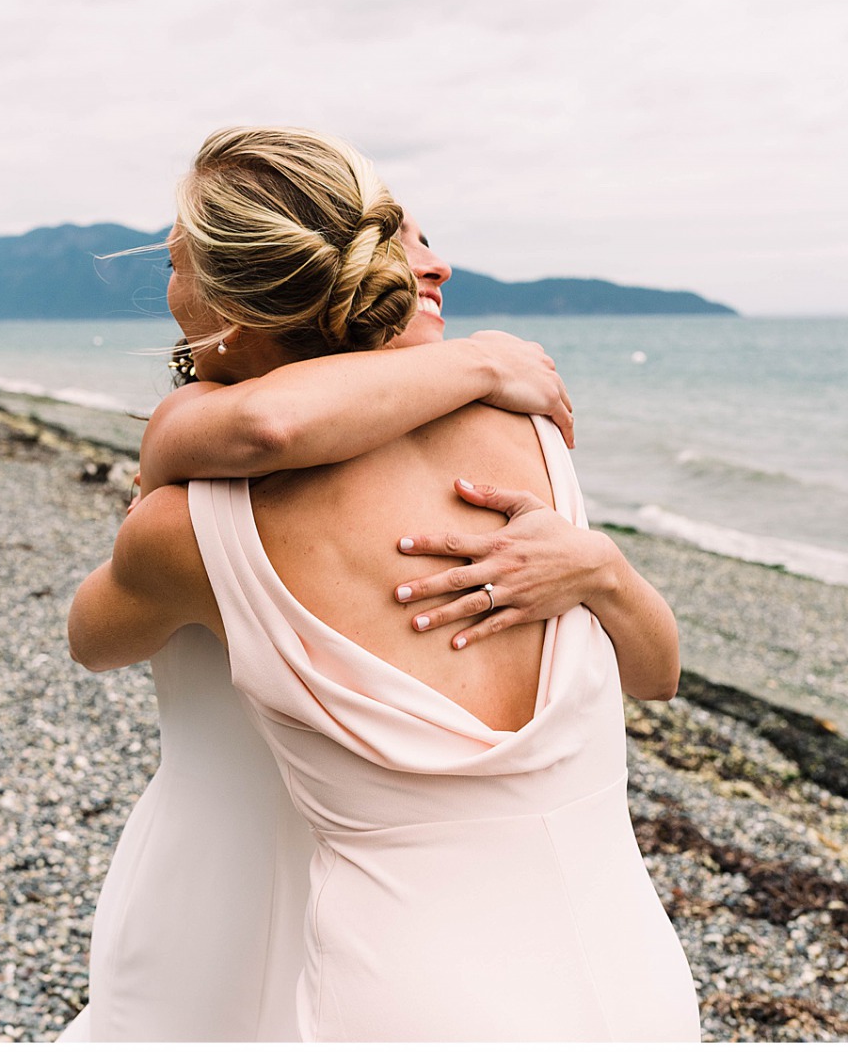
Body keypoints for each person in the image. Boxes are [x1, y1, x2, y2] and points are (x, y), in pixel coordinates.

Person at [67, 127, 700, 1041]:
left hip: (397, 992)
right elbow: (656, 673)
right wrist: (486, 366)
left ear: (230, 304)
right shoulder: (530, 439)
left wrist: (157, 482)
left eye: (176, 261)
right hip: (633, 980)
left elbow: (93, 638)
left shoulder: (188, 525)